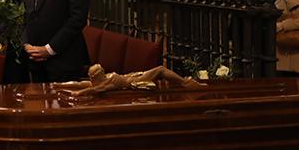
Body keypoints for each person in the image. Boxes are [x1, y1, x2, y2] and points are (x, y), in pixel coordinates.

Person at [63, 63, 204, 96]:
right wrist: (56, 86)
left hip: (134, 76)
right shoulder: (105, 83)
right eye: (101, 70)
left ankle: (184, 83)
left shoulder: (104, 79)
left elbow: (86, 85)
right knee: (160, 69)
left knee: (160, 70)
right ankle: (184, 82)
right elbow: (90, 88)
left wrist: (59, 86)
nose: (104, 70)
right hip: (134, 81)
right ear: (95, 76)